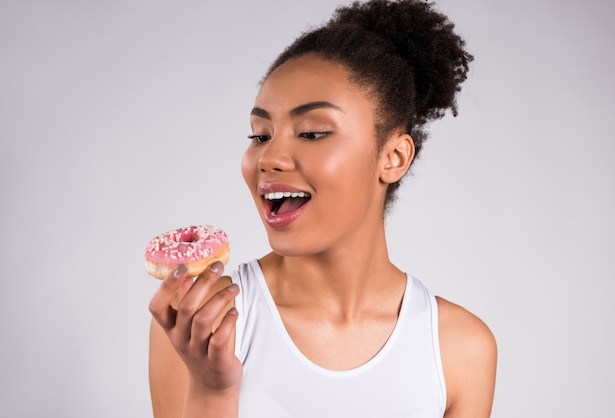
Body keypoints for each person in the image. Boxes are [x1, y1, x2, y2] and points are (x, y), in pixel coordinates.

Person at [148, 0, 497, 417]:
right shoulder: (203, 325)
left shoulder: (459, 349)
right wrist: (211, 391)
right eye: (259, 135)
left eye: (312, 133)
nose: (269, 158)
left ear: (394, 158)